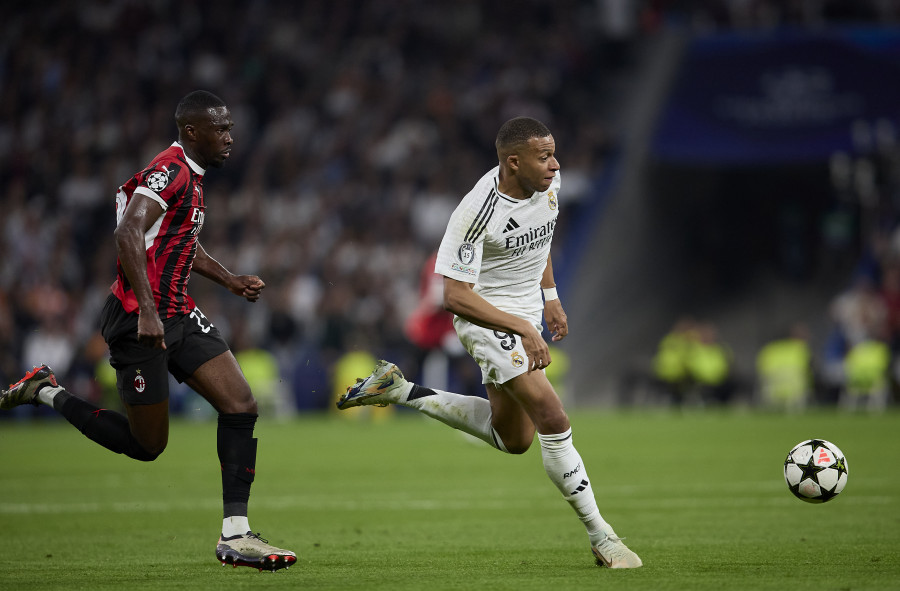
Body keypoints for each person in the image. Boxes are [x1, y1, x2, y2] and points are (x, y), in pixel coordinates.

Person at [0, 91, 296, 572]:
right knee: (147, 446)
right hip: (141, 320)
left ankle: (236, 535)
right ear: (192, 132)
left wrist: (231, 280)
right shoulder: (172, 169)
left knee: (241, 404)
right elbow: (128, 232)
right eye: (220, 129)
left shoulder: (194, 180)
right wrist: (149, 312)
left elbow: (180, 243)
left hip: (178, 312)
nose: (229, 138)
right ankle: (45, 391)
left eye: (230, 128)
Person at [337, 117, 642, 569]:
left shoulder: (546, 188)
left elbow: (541, 244)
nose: (555, 165)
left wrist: (551, 297)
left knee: (513, 438)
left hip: (526, 312)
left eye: (555, 154)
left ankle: (400, 390)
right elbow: (454, 297)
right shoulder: (476, 212)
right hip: (483, 314)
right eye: (545, 157)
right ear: (512, 162)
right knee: (552, 417)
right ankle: (604, 537)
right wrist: (522, 328)